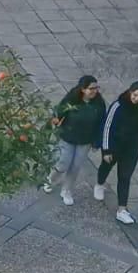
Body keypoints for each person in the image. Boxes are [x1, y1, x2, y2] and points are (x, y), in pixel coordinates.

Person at [44, 75, 105, 205]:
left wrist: (97, 142)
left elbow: (101, 123)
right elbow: (59, 111)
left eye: (96, 88)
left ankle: (67, 191)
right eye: (91, 88)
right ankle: (50, 180)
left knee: (75, 167)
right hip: (68, 137)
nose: (94, 91)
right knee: (62, 164)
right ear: (83, 89)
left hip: (85, 141)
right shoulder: (72, 99)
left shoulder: (99, 103)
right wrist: (55, 120)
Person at [96, 81, 138, 225]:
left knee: (125, 176)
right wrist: (106, 149)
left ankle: (122, 209)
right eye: (135, 95)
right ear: (130, 92)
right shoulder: (118, 105)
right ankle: (100, 183)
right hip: (114, 143)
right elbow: (107, 127)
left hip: (132, 145)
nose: (136, 99)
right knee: (106, 166)